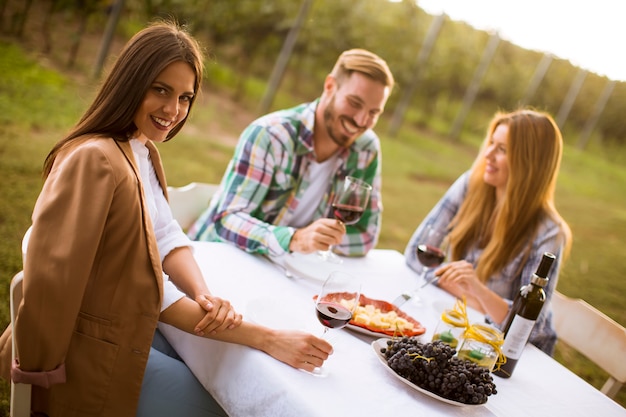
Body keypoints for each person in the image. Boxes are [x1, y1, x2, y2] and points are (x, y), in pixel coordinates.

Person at [0, 20, 331, 417]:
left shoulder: (142, 150)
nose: (173, 110)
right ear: (131, 82)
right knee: (221, 405)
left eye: (185, 97)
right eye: (161, 90)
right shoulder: (96, 161)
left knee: (225, 371)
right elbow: (148, 292)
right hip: (87, 352)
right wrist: (267, 338)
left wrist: (203, 293)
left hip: (127, 326)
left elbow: (166, 233)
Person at [187, 48, 395, 257]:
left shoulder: (366, 149)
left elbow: (366, 236)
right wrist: (295, 239)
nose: (361, 121)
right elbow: (227, 220)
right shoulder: (270, 135)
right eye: (354, 103)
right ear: (330, 86)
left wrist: (316, 241)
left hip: (283, 268)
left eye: (373, 113)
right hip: (214, 256)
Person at [404, 109, 572, 355]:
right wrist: (477, 300)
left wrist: (477, 290)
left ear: (529, 164)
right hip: (466, 328)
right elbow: (414, 253)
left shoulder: (548, 232)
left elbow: (529, 328)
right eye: (491, 143)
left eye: (502, 149)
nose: (488, 154)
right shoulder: (471, 184)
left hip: (509, 357)